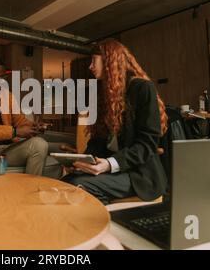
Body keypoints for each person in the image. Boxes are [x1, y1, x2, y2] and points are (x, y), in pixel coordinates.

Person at [62, 38, 168, 205]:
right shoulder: (103, 94)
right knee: (65, 182)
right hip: (113, 170)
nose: (90, 67)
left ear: (109, 61)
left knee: (77, 185)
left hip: (138, 174)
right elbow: (98, 140)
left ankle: (104, 220)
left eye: (93, 61)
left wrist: (109, 165)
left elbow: (147, 144)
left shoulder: (142, 88)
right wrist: (85, 161)